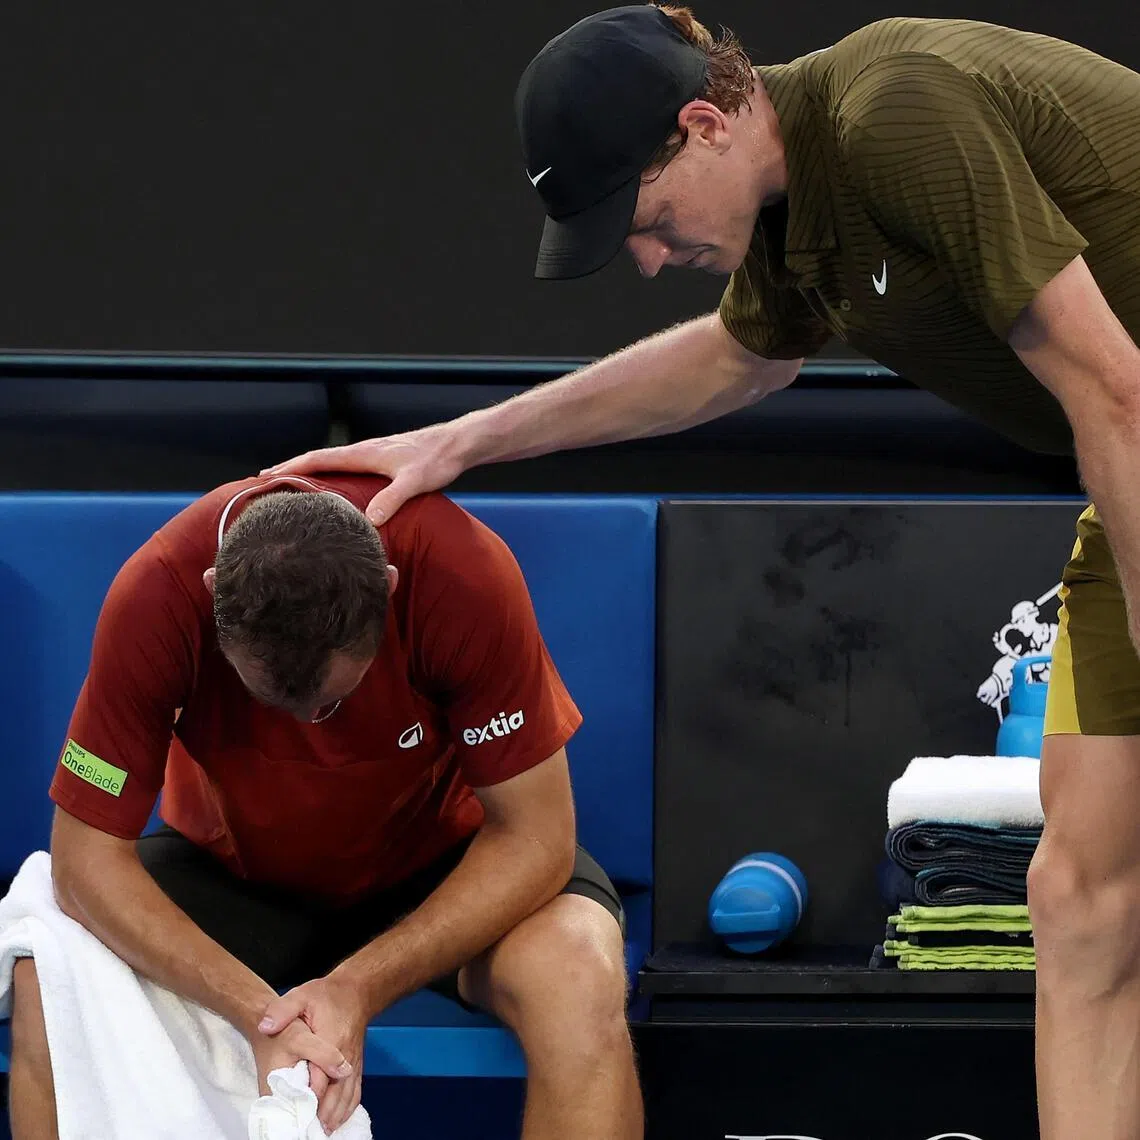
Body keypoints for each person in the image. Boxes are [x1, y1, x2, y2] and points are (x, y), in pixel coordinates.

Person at [269, 6, 1140, 1136]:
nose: (644, 259)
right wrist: (460, 442)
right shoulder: (798, 211)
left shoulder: (899, 117)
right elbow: (731, 363)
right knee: (1077, 899)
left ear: (702, 127)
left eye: (647, 218)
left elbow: (1113, 389)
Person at [6, 472, 641, 1140]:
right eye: (277, 701)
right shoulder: (156, 593)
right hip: (236, 876)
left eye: (333, 699)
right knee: (46, 975)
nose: (312, 723)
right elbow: (84, 859)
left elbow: (538, 837)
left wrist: (357, 987)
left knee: (578, 972)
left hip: (445, 868)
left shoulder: (461, 572)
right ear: (212, 593)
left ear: (389, 591)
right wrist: (257, 1014)